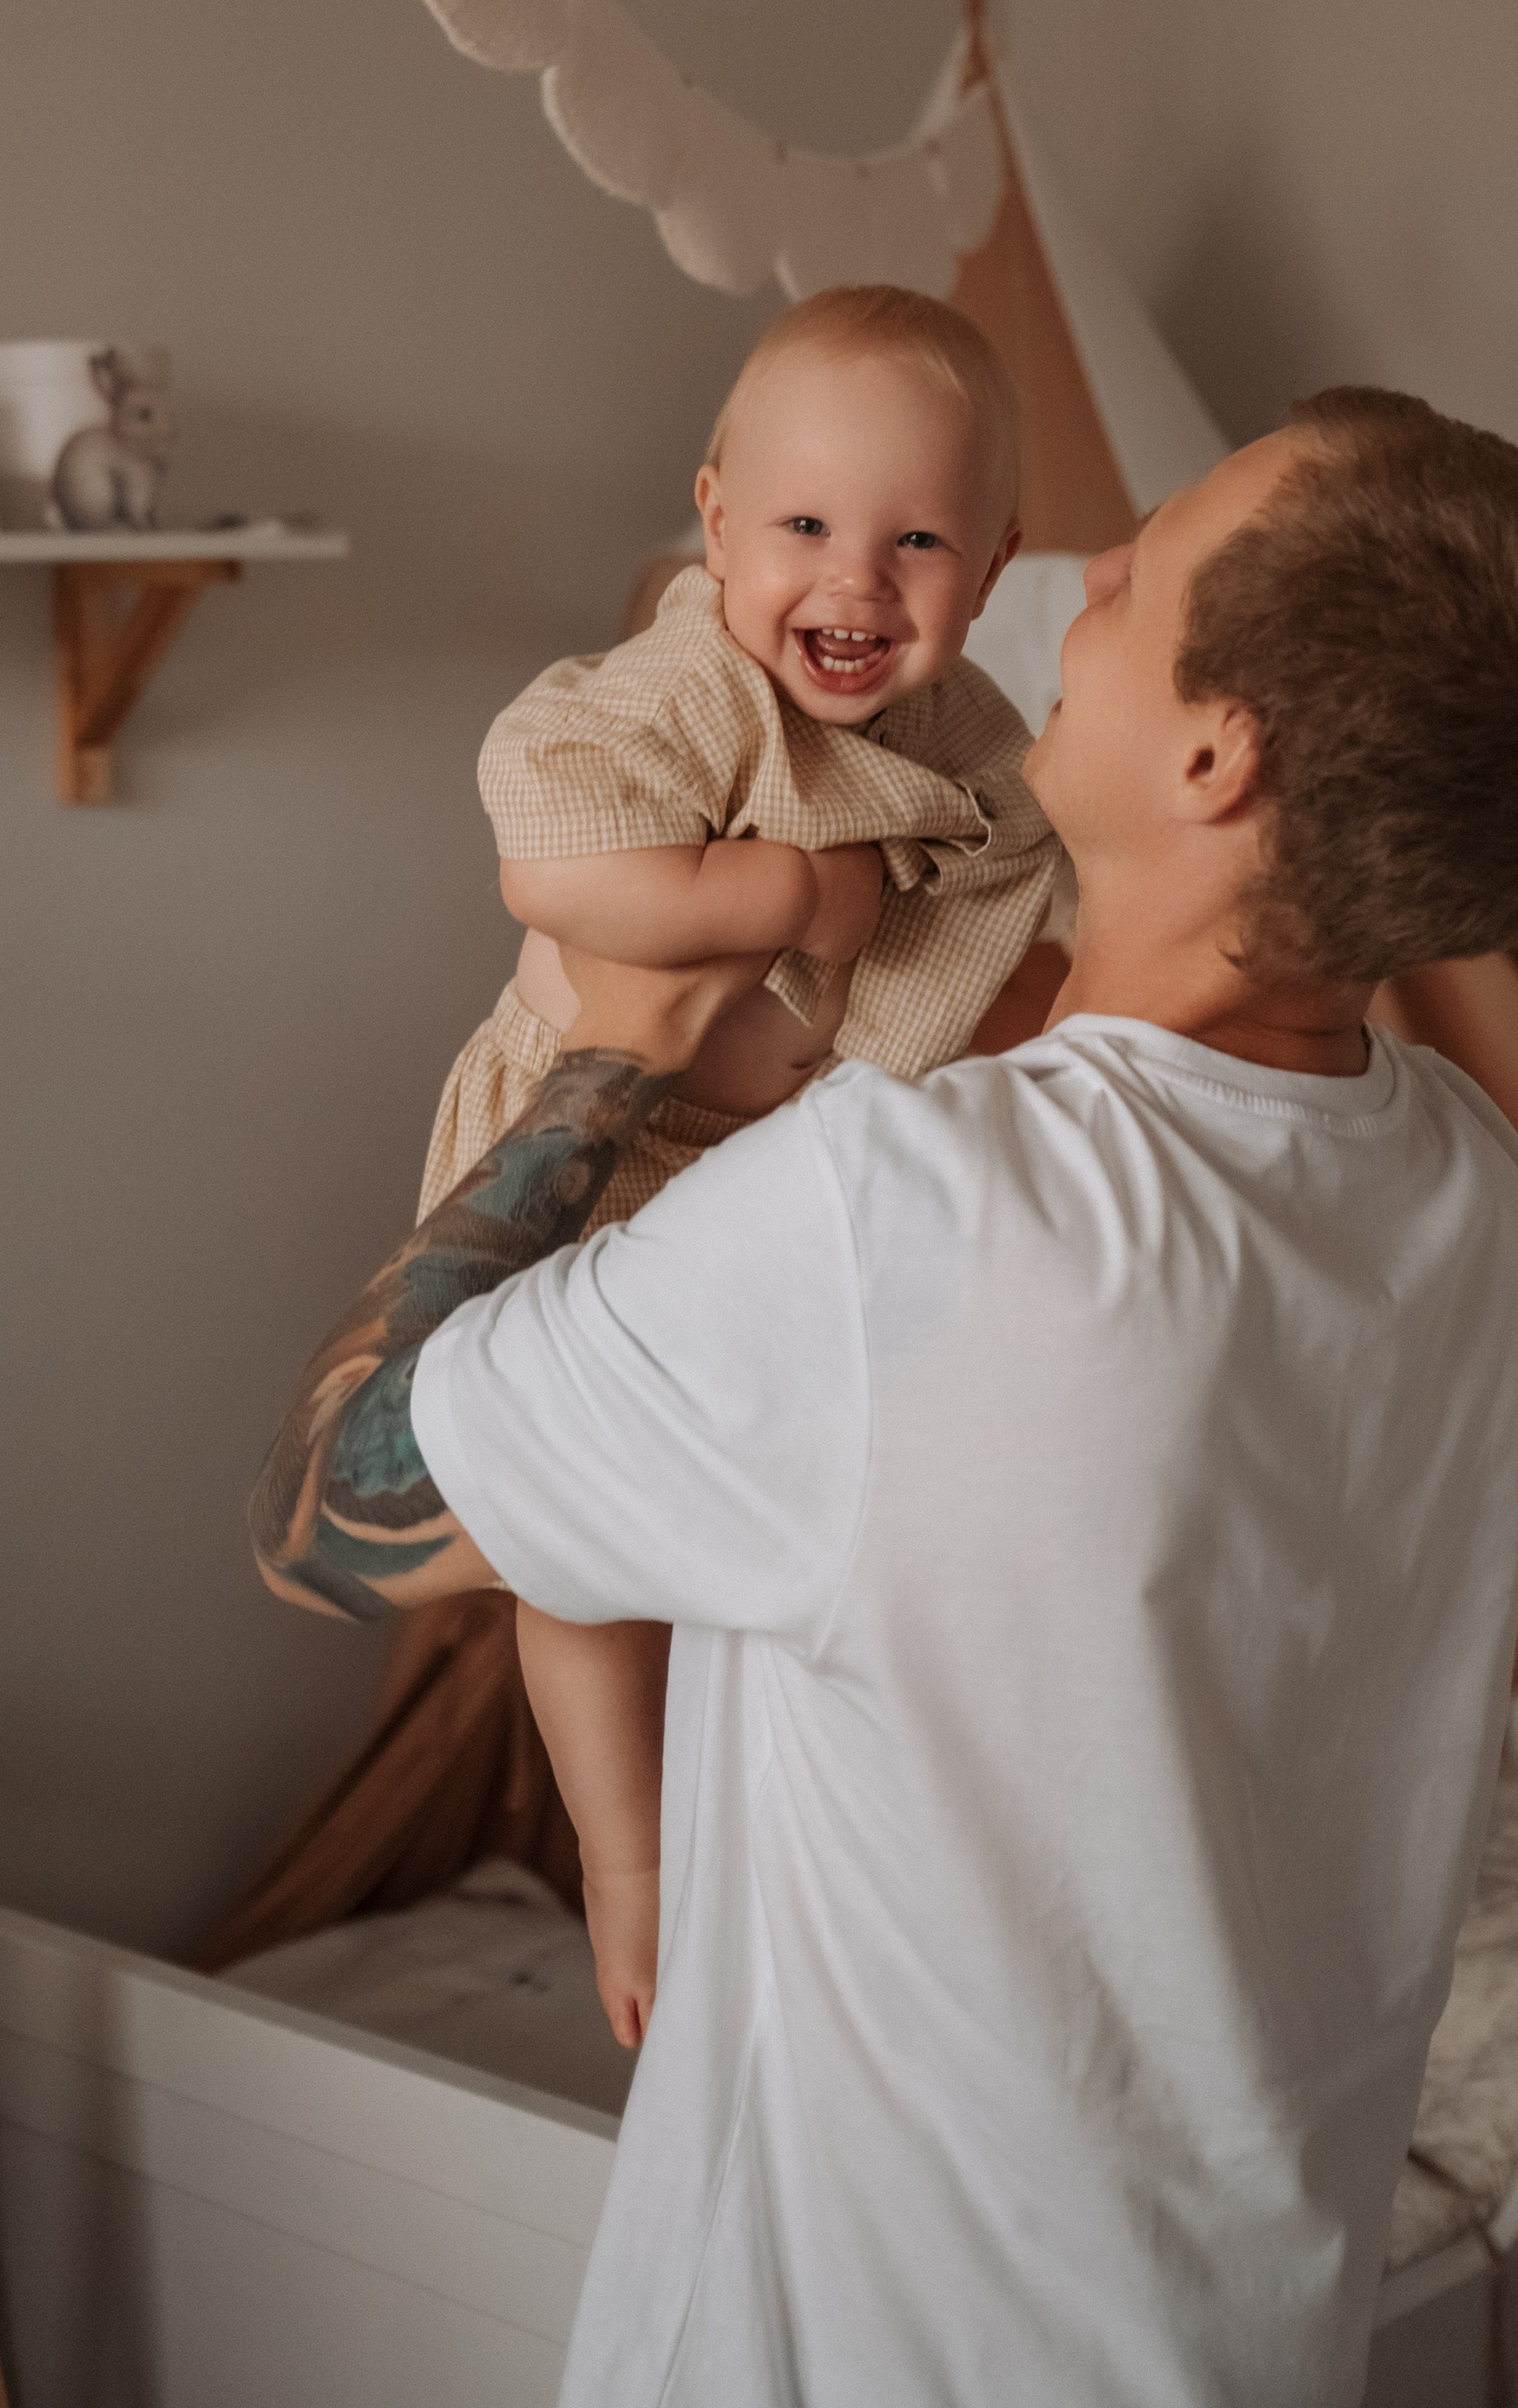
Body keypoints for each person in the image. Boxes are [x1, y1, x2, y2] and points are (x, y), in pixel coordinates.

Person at [251, 385, 1518, 2407]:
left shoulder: (917, 1213)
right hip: (1232, 2327)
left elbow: (335, 1510)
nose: (1076, 578)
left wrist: (612, 1042)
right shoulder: (1460, 1183)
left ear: (1216, 751)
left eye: (1144, 563)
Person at [418, 286, 1060, 2039]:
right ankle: (625, 1872)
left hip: (770, 1168)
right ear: (713, 522)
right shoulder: (693, 684)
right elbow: (547, 861)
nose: (853, 586)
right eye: (801, 528)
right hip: (593, 1147)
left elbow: (1011, 896)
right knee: (578, 1563)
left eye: (915, 542)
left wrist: (887, 1058)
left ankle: (807, 1854)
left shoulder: (970, 743)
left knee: (768, 1532)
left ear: (990, 567)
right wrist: (786, 891)